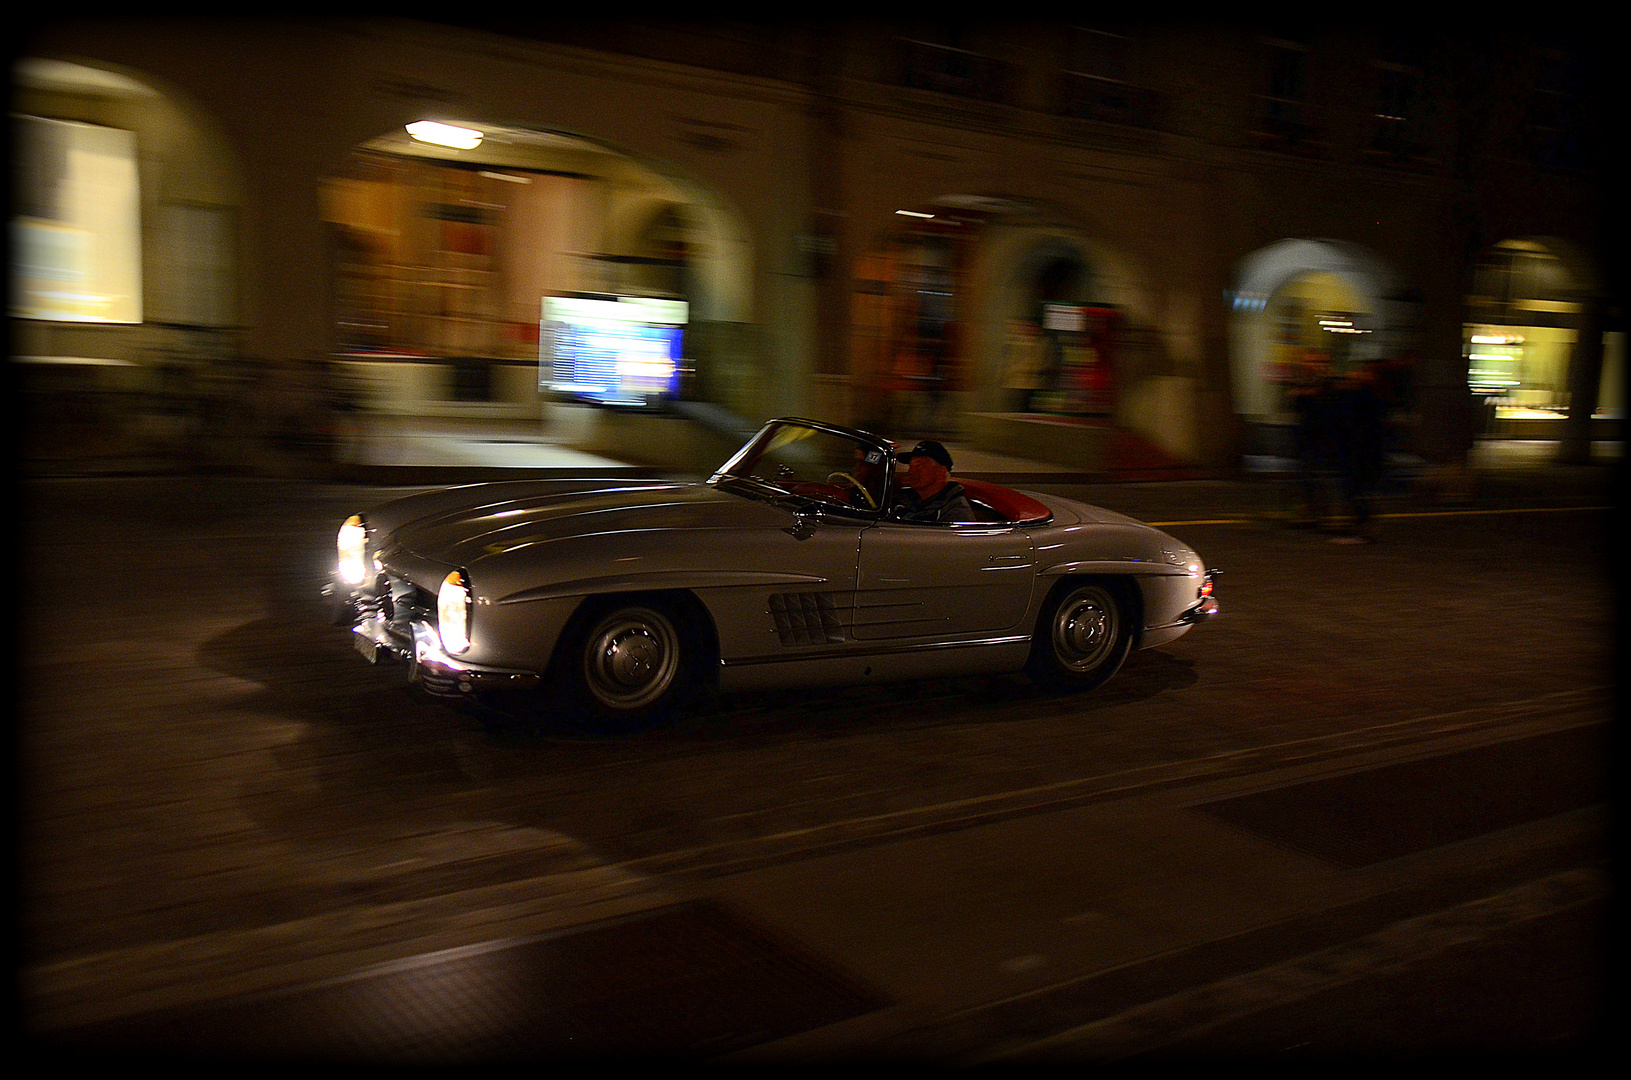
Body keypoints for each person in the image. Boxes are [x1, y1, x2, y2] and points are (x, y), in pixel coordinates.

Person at [891, 439, 973, 523]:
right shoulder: (902, 500)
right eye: (911, 466)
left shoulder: (955, 514)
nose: (910, 471)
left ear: (941, 471)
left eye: (919, 466)